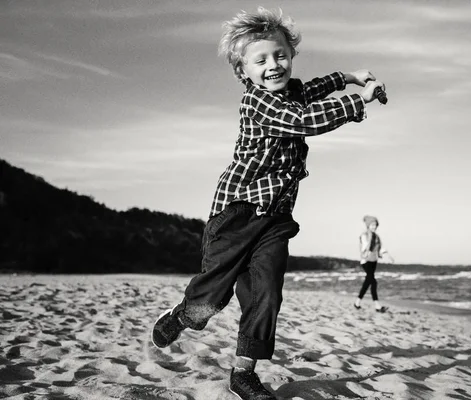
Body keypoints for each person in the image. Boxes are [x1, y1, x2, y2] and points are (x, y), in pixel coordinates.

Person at [151, 7, 386, 400]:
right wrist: (358, 101)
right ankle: (182, 315)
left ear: (291, 56)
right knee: (210, 302)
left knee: (267, 293)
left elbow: (310, 90)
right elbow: (305, 119)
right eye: (260, 60)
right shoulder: (258, 103)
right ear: (244, 71)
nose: (273, 65)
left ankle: (243, 373)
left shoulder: (290, 90)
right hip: (237, 213)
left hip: (275, 218)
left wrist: (347, 76)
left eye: (280, 55)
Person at [354, 215, 394, 312]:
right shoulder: (365, 235)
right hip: (366, 261)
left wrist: (388, 256)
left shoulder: (376, 237)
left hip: (374, 261)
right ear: (368, 225)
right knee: (373, 282)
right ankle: (377, 306)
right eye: (372, 225)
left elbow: (380, 248)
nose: (374, 226)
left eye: (375, 225)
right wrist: (368, 245)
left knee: (368, 282)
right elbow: (364, 246)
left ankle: (357, 302)